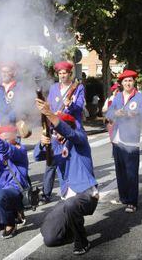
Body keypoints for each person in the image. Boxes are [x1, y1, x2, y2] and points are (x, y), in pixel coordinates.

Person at [35, 98, 98, 256]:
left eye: (59, 130)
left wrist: (49, 113)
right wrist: (42, 143)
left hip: (86, 193)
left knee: (71, 204)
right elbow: (37, 156)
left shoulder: (79, 139)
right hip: (67, 196)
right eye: (54, 132)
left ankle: (82, 242)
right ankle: (73, 228)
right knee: (49, 237)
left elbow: (69, 132)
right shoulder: (56, 145)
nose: (57, 134)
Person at [40, 61, 85, 203]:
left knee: (69, 160)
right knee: (50, 160)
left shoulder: (78, 87)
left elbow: (79, 107)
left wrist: (70, 105)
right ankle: (46, 193)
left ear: (70, 73)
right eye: (60, 73)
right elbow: (50, 106)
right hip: (55, 129)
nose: (62, 75)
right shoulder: (54, 88)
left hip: (71, 128)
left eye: (64, 73)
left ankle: (68, 190)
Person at [106, 69, 142, 213]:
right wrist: (115, 113)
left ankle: (132, 202)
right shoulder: (117, 96)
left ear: (134, 81)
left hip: (131, 139)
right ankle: (123, 197)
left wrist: (133, 115)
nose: (128, 83)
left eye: (130, 80)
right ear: (121, 83)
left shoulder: (141, 98)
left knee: (131, 173)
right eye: (125, 81)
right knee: (120, 172)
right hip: (117, 139)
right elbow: (109, 112)